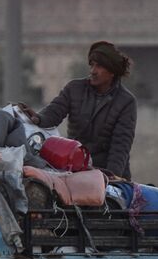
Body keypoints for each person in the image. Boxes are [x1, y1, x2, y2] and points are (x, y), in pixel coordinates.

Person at [20, 41, 137, 179]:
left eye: (99, 66)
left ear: (112, 72)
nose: (93, 71)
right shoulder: (75, 88)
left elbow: (120, 145)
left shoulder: (126, 101)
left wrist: (112, 176)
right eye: (91, 65)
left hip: (108, 173)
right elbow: (55, 111)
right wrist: (39, 118)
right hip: (75, 168)